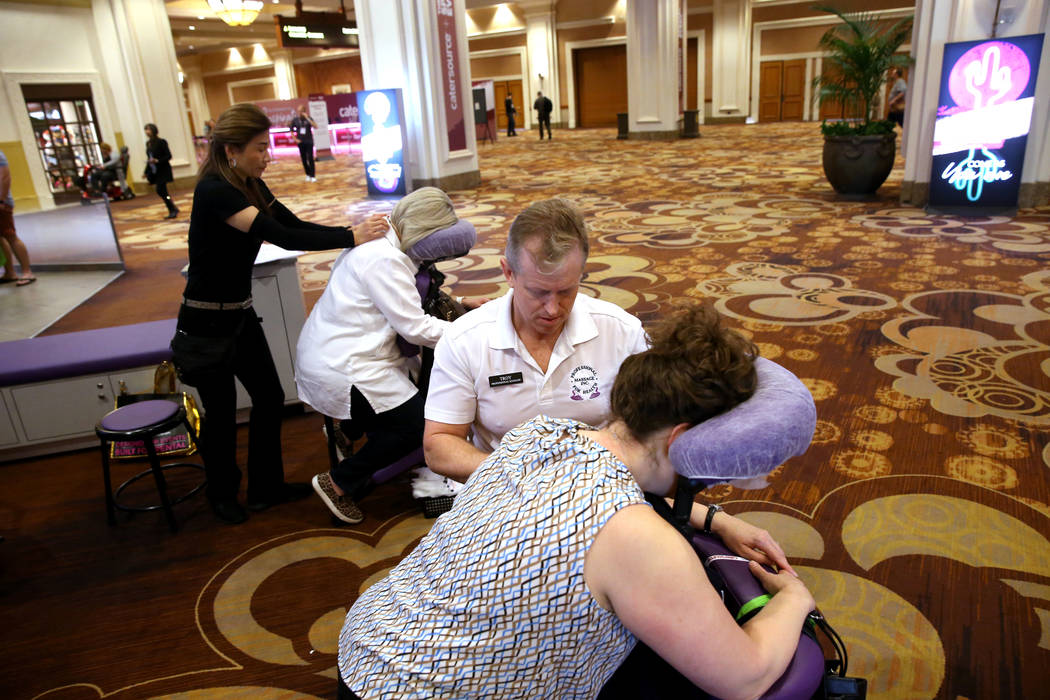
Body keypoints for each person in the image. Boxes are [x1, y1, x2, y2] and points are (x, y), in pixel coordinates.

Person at [336, 303, 815, 699]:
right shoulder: (637, 538)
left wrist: (715, 519)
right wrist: (794, 600)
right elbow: (746, 679)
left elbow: (589, 502)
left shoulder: (543, 433)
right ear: (686, 438)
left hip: (371, 646)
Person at [171, 102, 386, 525]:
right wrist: (350, 236)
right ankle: (222, 492)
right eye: (259, 148)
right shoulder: (215, 190)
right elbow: (282, 236)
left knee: (269, 399)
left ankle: (264, 488)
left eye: (267, 147)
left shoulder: (251, 184)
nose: (267, 156)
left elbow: (291, 221)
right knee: (222, 414)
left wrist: (349, 238)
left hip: (239, 314)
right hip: (205, 323)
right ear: (231, 149)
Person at [423, 198, 648, 483]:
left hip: (601, 485)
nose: (553, 309)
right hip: (503, 488)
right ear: (508, 273)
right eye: (538, 292)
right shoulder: (465, 339)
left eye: (566, 291)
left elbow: (652, 429)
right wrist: (523, 475)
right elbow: (439, 445)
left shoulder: (622, 332)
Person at [296, 187, 486, 524]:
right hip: (346, 365)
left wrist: (459, 308)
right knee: (420, 427)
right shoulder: (386, 261)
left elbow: (414, 302)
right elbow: (415, 328)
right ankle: (339, 482)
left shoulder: (383, 245)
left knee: (410, 398)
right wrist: (474, 329)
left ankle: (350, 430)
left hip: (336, 350)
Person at [0, 149, 35, 286]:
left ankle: (27, 272)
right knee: (1, 237)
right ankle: (10, 272)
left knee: (10, 235)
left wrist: (1, 200)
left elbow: (5, 177)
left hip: (2, 203)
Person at [143, 123, 177, 219]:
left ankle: (172, 209)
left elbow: (168, 156)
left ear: (153, 130)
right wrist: (146, 171)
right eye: (145, 130)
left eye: (148, 129)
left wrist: (157, 160)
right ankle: (172, 207)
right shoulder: (148, 143)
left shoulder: (161, 142)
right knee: (161, 191)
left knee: (161, 190)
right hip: (155, 170)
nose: (147, 132)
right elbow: (149, 157)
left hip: (163, 169)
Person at [289, 105, 318, 182]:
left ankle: (313, 175)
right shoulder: (295, 120)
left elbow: (316, 126)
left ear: (304, 111)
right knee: (304, 159)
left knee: (310, 158)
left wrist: (307, 118)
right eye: (298, 111)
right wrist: (295, 139)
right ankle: (308, 174)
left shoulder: (309, 118)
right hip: (300, 142)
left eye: (301, 111)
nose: (300, 113)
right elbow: (291, 130)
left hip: (309, 141)